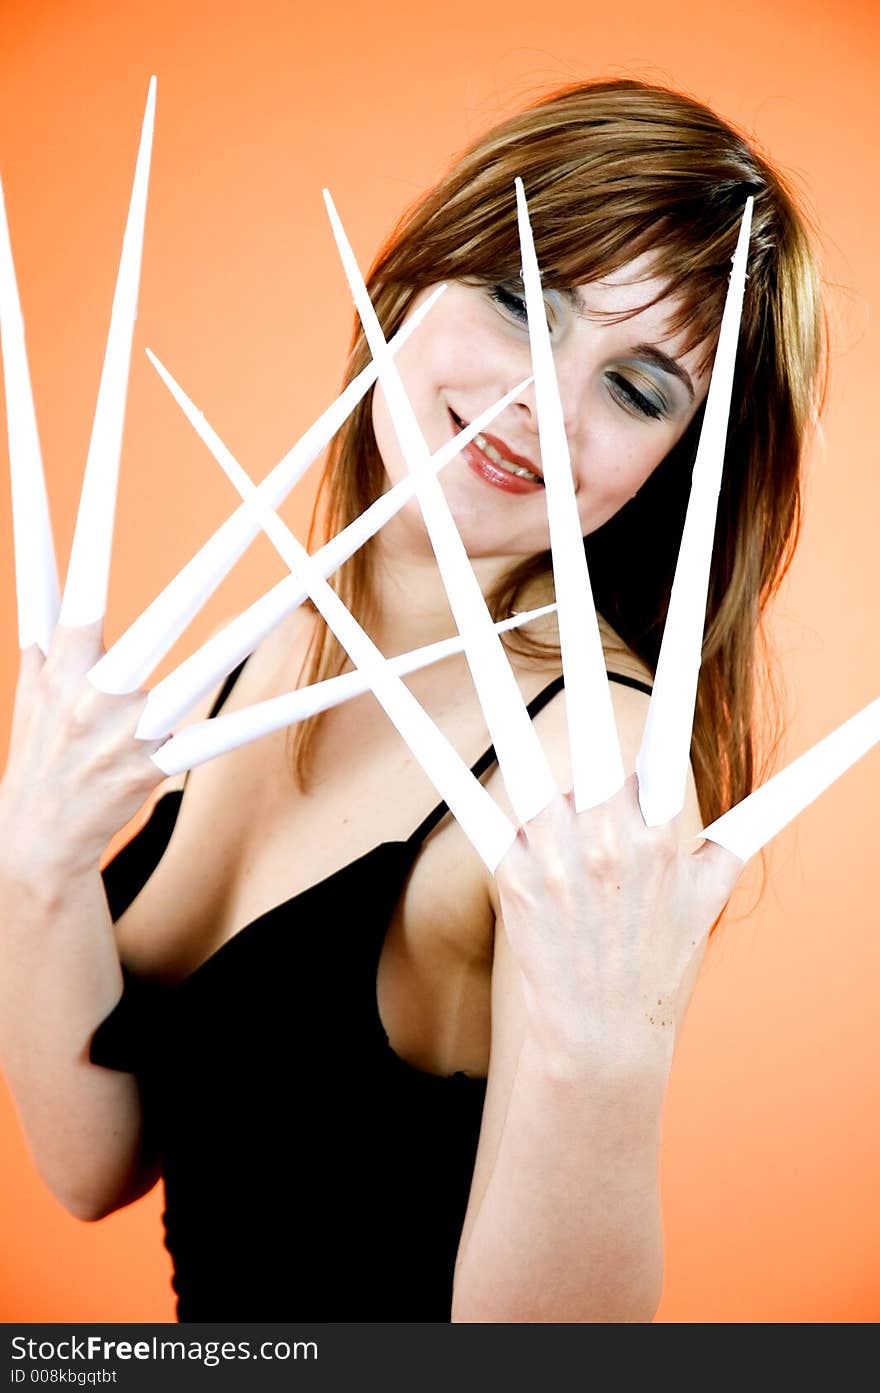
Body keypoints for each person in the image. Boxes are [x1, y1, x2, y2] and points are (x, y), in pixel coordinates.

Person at [0, 78, 825, 1322]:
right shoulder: (272, 637)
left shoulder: (585, 762)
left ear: (674, 467)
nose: (540, 401)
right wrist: (34, 864)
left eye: (638, 388)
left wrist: (605, 1061)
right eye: (519, 301)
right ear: (412, 277)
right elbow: (98, 1157)